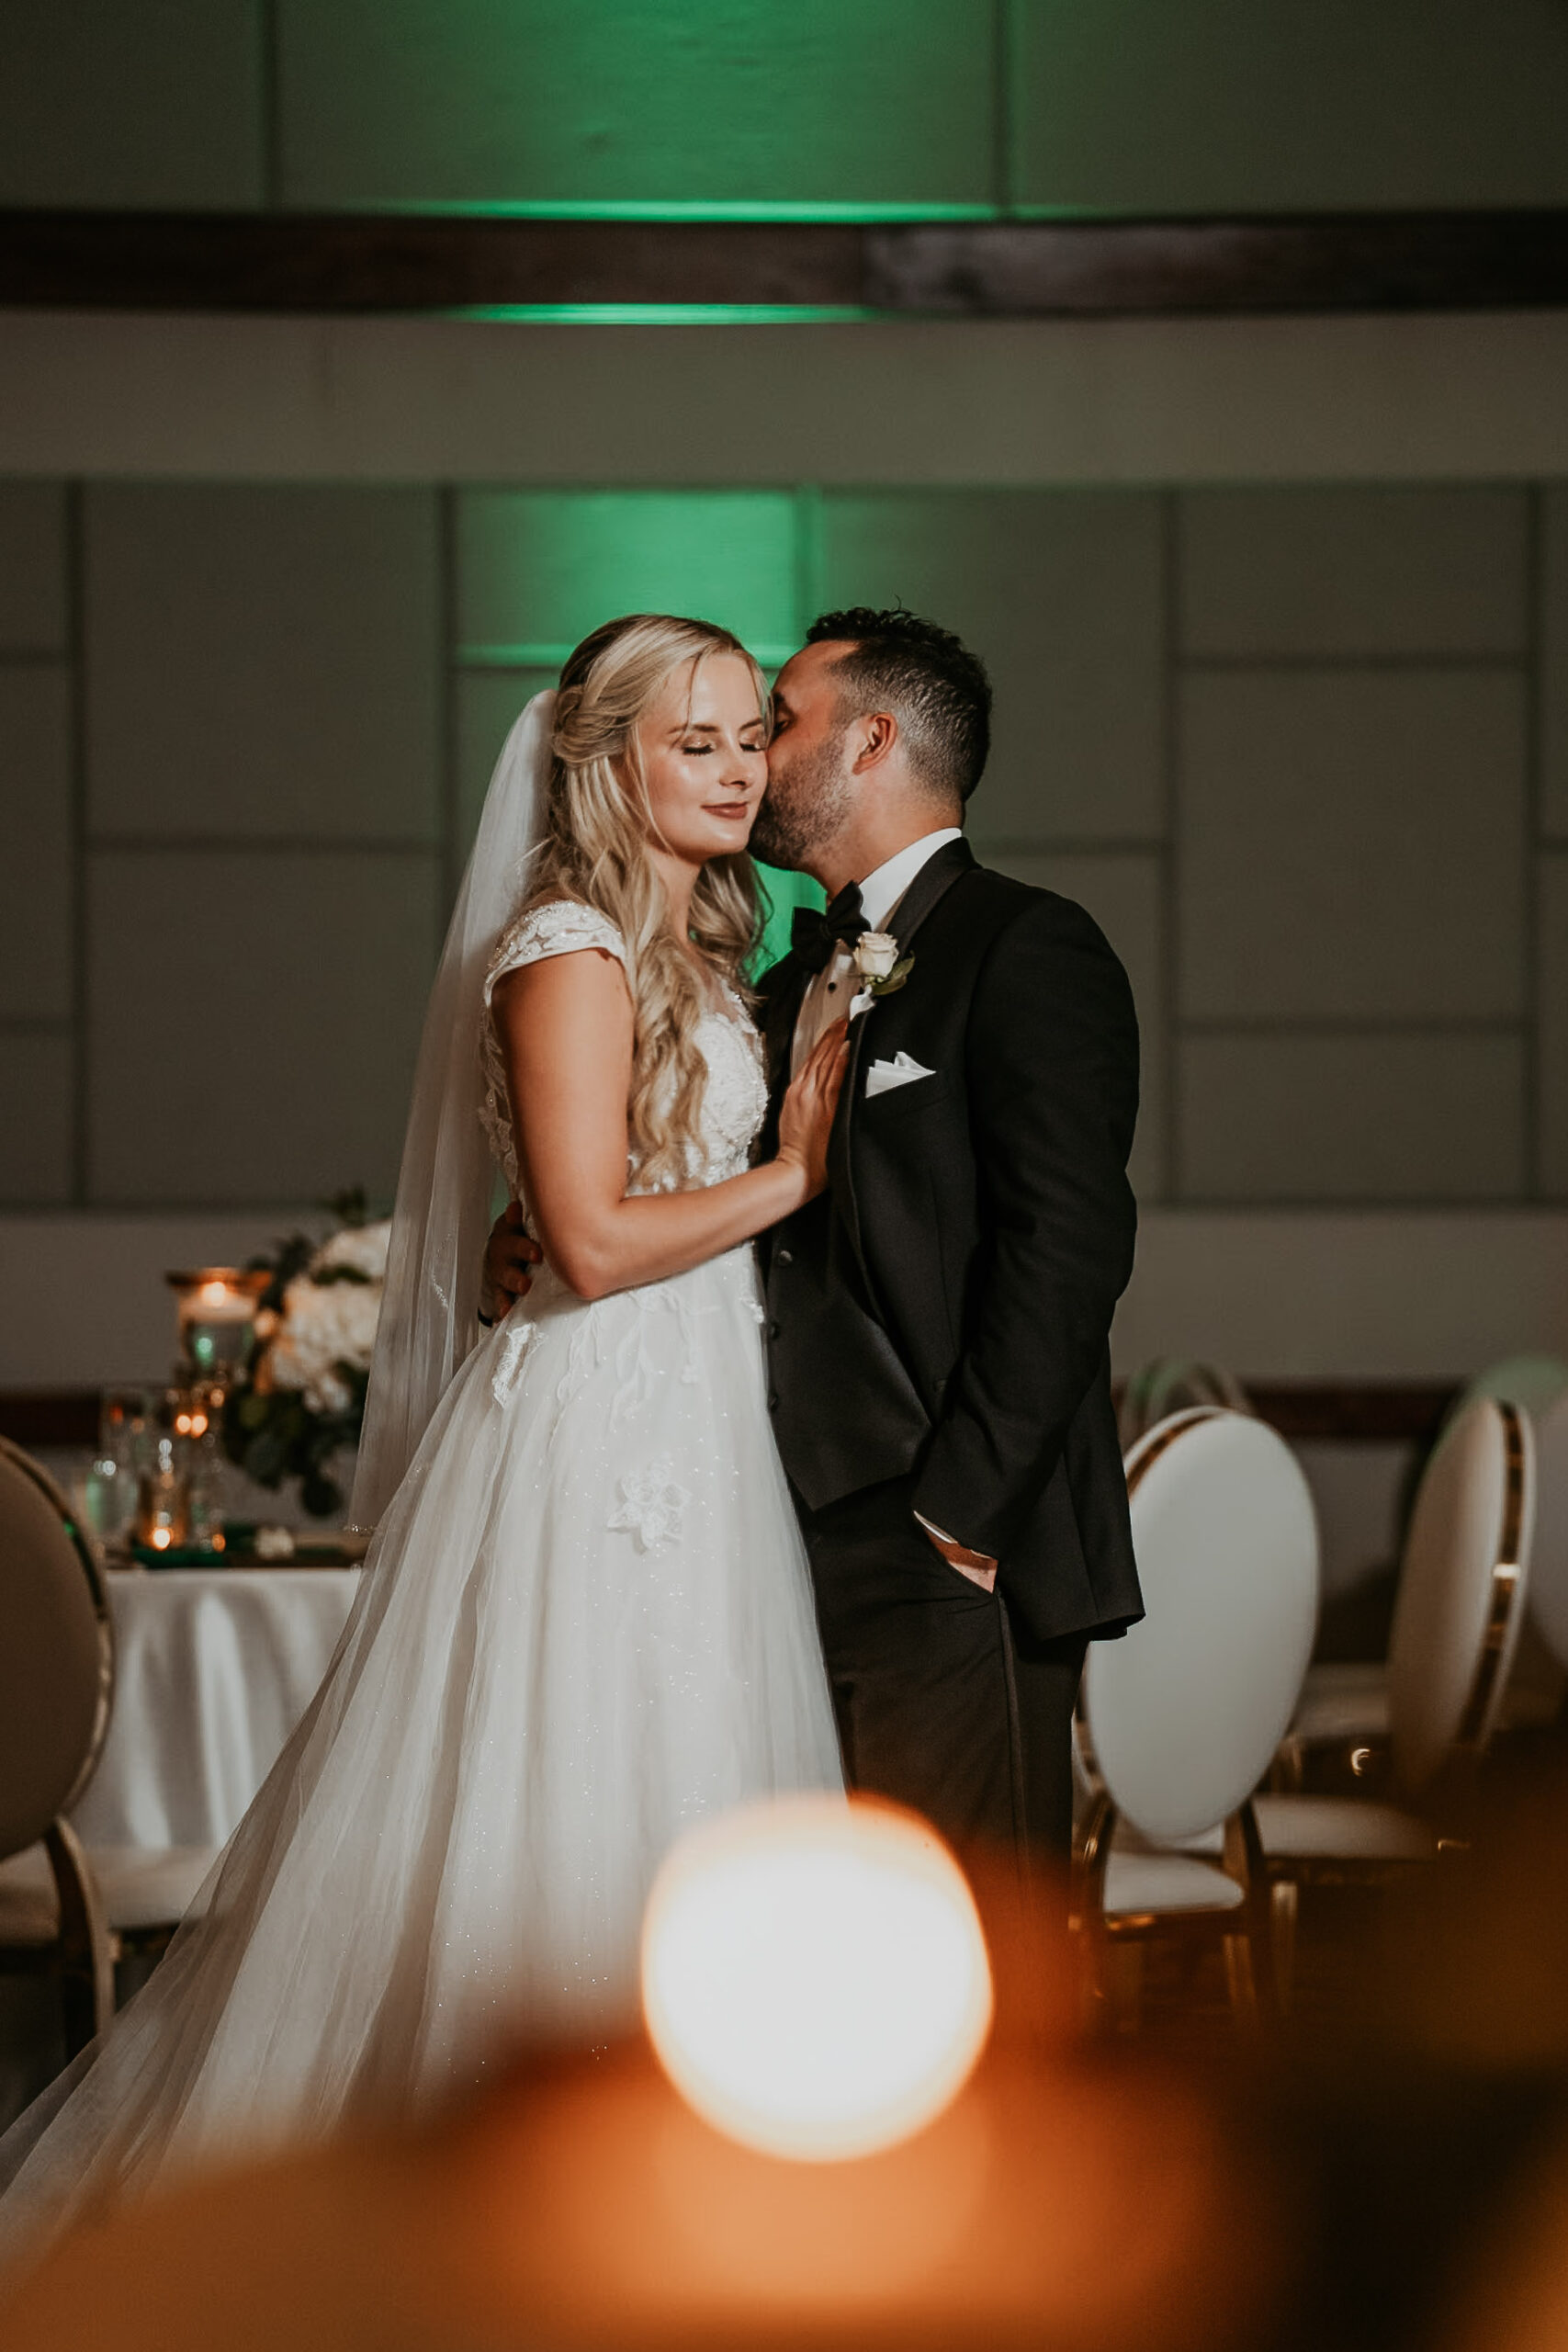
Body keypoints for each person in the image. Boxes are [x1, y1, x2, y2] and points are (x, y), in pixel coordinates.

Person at [0, 614, 846, 2259]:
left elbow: (531, 1235)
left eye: (753, 737)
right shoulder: (566, 951)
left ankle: (689, 2214)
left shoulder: (689, 958)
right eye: (699, 742)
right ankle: (502, 2226)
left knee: (690, 1800)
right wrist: (794, 1175)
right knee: (570, 1811)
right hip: (597, 1452)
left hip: (698, 1427)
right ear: (608, 763)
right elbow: (591, 1243)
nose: (741, 770)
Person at [488, 605, 1144, 1874]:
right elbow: (652, 1168)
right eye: (717, 736)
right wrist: (522, 1225)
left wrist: (960, 1515)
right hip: (761, 1526)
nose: (751, 757)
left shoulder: (1024, 948)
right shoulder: (774, 976)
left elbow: (1067, 1248)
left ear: (870, 742)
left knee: (966, 1937)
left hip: (946, 1535)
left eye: (777, 724)